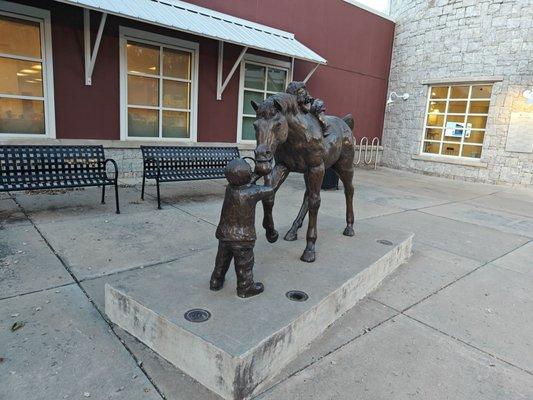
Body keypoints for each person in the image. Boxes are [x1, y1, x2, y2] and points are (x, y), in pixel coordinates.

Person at [210, 158, 273, 298]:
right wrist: (267, 174)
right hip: (243, 238)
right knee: (244, 264)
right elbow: (270, 190)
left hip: (225, 235)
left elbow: (244, 182)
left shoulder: (230, 188)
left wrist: (256, 174)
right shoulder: (253, 192)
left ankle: (216, 281)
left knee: (221, 261)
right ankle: (245, 287)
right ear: (246, 175)